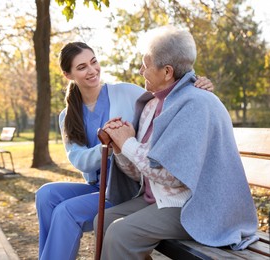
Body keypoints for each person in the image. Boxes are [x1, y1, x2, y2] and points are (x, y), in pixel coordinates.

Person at [35, 41, 214, 260]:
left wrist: (195, 81)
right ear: (68, 75)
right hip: (99, 187)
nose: (92, 70)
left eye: (93, 62)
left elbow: (165, 92)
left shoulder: (126, 92)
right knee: (46, 194)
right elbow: (79, 160)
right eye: (81, 67)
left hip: (126, 186)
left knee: (66, 212)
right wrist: (109, 146)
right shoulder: (68, 116)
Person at [95, 26, 259, 260]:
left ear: (167, 72)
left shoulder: (196, 104)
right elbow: (140, 175)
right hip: (159, 200)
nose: (141, 70)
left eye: (146, 64)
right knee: (103, 220)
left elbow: (171, 176)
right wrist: (121, 149)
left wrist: (129, 143)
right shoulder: (151, 106)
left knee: (120, 233)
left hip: (195, 206)